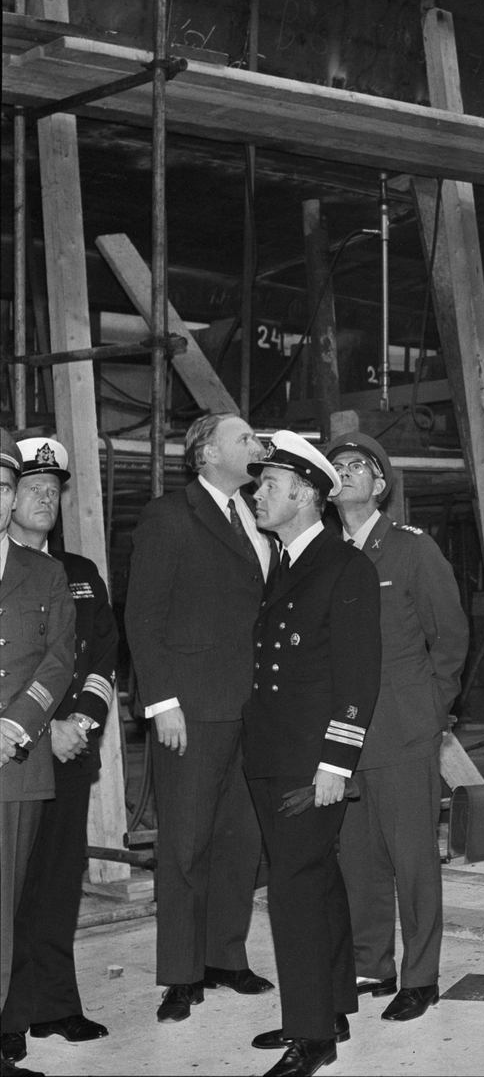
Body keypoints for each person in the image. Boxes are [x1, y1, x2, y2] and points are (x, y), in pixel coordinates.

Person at [124, 413, 275, 1023]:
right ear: (206, 453)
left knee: (241, 841)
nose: (257, 445)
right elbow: (143, 615)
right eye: (245, 439)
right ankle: (183, 974)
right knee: (185, 845)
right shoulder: (169, 516)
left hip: (253, 708)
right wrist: (162, 703)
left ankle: (224, 957)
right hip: (191, 709)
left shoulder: (260, 516)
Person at [244, 431, 381, 1077]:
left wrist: (336, 764)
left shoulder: (344, 565)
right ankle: (330, 1008)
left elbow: (359, 676)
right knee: (316, 879)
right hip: (273, 752)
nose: (258, 494)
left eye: (269, 485)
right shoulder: (284, 561)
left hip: (310, 762)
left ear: (305, 495)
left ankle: (311, 1036)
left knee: (294, 889)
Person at [325, 432, 468, 1025]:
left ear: (380, 484)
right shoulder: (325, 554)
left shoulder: (411, 549)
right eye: (335, 465)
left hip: (404, 728)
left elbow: (450, 637)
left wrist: (431, 710)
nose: (344, 472)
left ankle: (421, 976)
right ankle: (372, 963)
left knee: (413, 860)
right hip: (346, 734)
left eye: (357, 465)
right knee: (358, 857)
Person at [3, 439, 118, 1063]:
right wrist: (47, 730)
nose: (45, 499)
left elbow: (101, 656)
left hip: (72, 750)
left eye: (54, 491)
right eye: (32, 489)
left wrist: (84, 722)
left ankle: (54, 1004)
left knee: (56, 884)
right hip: (22, 750)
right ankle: (10, 1015)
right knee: (11, 888)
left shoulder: (78, 572)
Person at [0, 429, 75, 1077]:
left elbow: (59, 661)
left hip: (15, 764)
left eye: (4, 488)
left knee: (4, 911)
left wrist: (14, 727)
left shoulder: (49, 573)